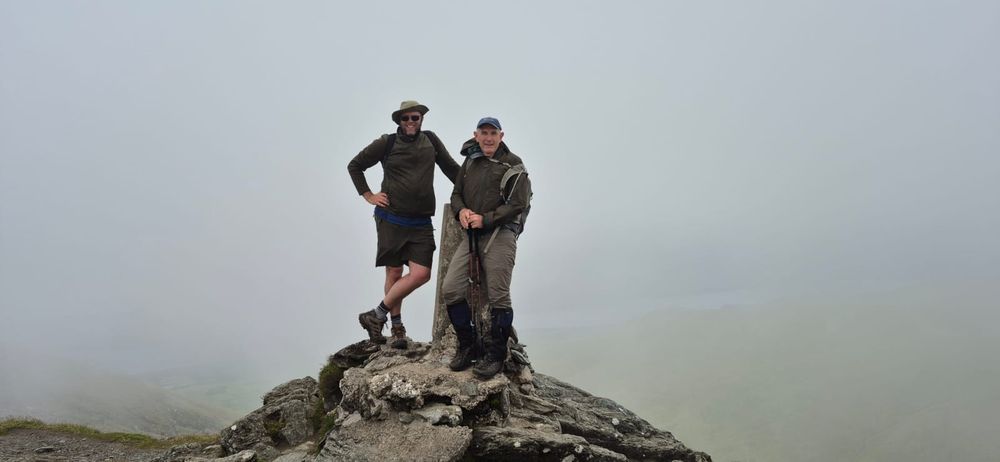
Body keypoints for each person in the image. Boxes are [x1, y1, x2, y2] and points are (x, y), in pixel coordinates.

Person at [348, 100, 460, 348]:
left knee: (421, 274)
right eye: (405, 118)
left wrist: (473, 190)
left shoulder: (431, 141)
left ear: (422, 119)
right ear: (399, 121)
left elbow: (452, 169)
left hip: (421, 221)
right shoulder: (387, 143)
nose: (410, 122)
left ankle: (376, 314)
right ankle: (397, 327)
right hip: (391, 218)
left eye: (415, 117)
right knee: (394, 272)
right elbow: (355, 166)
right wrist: (369, 195)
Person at [441, 117, 531, 379]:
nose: (489, 138)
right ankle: (468, 346)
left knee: (499, 295)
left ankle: (496, 354)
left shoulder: (513, 164)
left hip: (500, 234)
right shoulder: (470, 161)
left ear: (501, 136)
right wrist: (462, 211)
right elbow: (456, 194)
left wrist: (486, 219)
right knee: (451, 289)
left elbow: (518, 203)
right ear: (476, 135)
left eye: (493, 133)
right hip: (472, 235)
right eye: (484, 133)